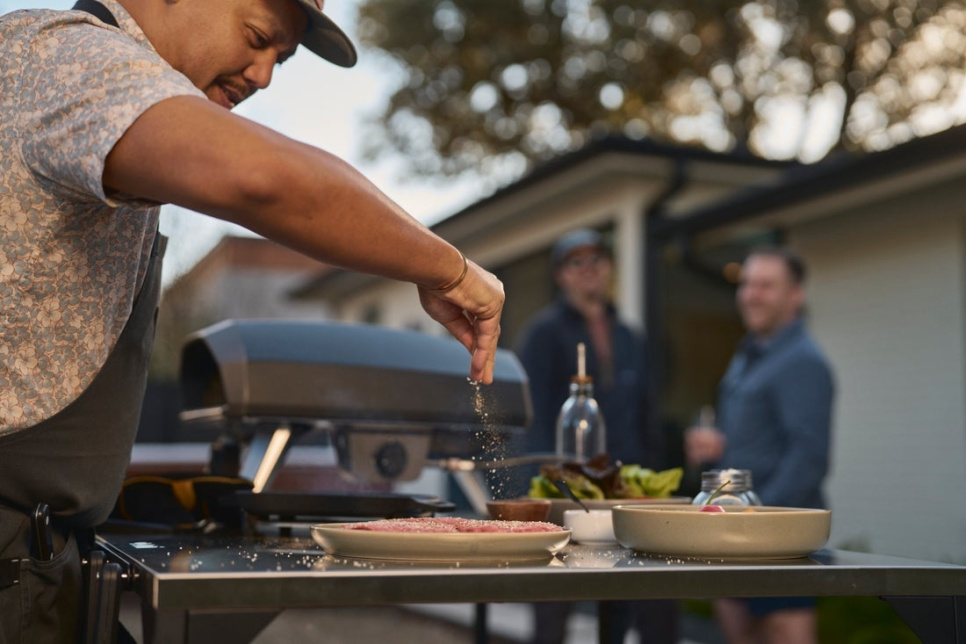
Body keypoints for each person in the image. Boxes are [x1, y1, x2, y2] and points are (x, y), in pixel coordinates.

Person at [0, 0, 503, 639]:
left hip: (41, 559)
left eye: (281, 60)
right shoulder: (65, 55)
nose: (264, 77)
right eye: (258, 37)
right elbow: (266, 180)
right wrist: (450, 270)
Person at [515, 229, 675, 644]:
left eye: (596, 259)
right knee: (554, 595)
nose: (588, 269)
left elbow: (646, 412)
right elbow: (529, 416)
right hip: (565, 488)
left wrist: (651, 482)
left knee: (631, 593)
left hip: (624, 487)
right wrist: (539, 490)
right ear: (561, 275)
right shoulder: (543, 334)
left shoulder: (629, 334)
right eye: (576, 261)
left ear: (609, 268)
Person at [684, 246, 834, 644]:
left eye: (766, 286)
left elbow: (808, 460)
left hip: (778, 545)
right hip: (739, 540)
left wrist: (755, 525)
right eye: (747, 284)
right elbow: (762, 437)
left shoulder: (803, 361)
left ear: (795, 295)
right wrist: (719, 447)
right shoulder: (750, 354)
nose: (751, 294)